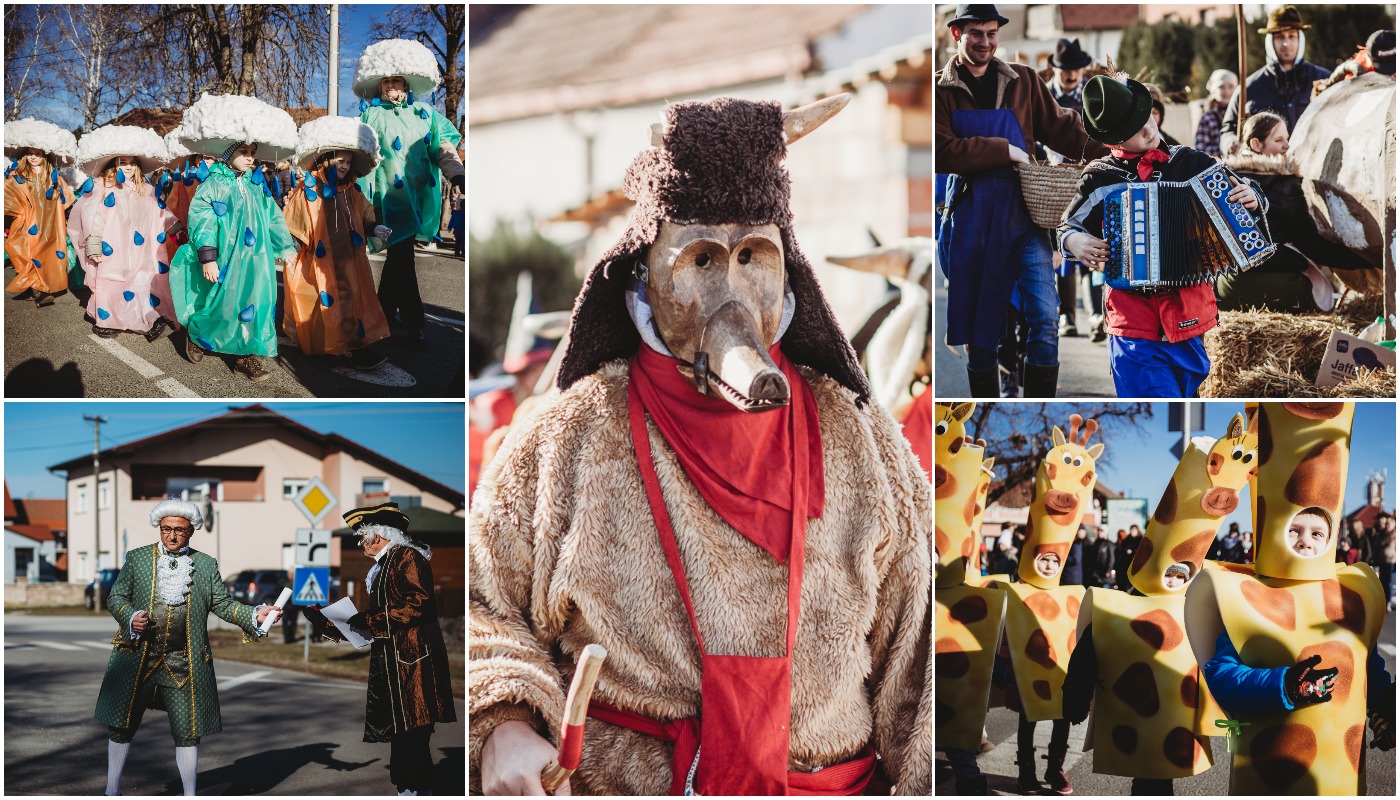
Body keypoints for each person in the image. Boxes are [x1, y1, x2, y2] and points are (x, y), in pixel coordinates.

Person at [471, 95, 930, 795]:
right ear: (645, 271)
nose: (733, 288)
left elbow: (922, 659)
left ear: (787, 267)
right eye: (702, 259)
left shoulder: (861, 437)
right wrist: (503, 721)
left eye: (753, 256)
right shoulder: (567, 434)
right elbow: (481, 605)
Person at [935, 4, 1108, 398]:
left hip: (1024, 216)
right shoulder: (940, 90)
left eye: (992, 33)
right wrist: (1005, 150)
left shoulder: (1024, 81)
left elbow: (1064, 130)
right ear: (956, 34)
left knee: (1045, 318)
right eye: (976, 33)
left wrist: (1114, 151)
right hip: (971, 219)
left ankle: (1038, 403)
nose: (985, 42)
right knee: (982, 336)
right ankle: (985, 403)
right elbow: (942, 151)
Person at [1059, 74, 1265, 397]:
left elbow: (1246, 194)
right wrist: (1075, 241)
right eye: (1134, 131)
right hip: (1134, 327)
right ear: (1113, 142)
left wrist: (1253, 195)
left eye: (1147, 117)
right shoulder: (1099, 179)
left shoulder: (1191, 163)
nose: (1148, 129)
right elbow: (1068, 226)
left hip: (1190, 320)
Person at [94, 498, 281, 796]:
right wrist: (130, 617)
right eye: (166, 528)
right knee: (121, 724)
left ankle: (190, 794)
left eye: (179, 530)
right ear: (159, 527)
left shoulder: (205, 565)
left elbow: (222, 603)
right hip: (138, 657)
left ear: (191, 531)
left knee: (188, 731)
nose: (172, 535)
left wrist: (253, 614)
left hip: (184, 661)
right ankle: (112, 789)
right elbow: (116, 597)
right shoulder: (137, 558)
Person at [313, 503, 455, 796]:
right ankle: (409, 790)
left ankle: (416, 791)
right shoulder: (385, 564)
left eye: (361, 535)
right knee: (401, 735)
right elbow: (368, 626)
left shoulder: (406, 557)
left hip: (412, 663)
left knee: (412, 736)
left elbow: (418, 603)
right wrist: (324, 623)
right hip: (394, 663)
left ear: (377, 535)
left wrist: (369, 618)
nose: (360, 542)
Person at [168, 93, 300, 382]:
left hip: (256, 261)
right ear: (228, 154)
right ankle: (198, 333)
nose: (251, 156)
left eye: (253, 150)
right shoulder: (214, 184)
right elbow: (201, 219)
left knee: (255, 301)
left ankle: (245, 354)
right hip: (227, 259)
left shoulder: (256, 184)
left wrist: (285, 247)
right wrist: (208, 257)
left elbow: (272, 215)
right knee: (222, 302)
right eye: (244, 151)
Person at [352, 39, 465, 350]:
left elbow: (442, 147)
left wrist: (457, 174)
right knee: (402, 258)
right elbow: (356, 154)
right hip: (385, 201)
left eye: (396, 80)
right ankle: (413, 322)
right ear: (379, 84)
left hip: (416, 199)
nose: (391, 85)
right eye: (386, 80)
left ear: (406, 82)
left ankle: (384, 315)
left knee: (398, 260)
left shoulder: (425, 114)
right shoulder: (370, 117)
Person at [282, 115, 392, 370]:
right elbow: (296, 223)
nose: (344, 166)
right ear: (326, 158)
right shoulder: (307, 191)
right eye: (340, 160)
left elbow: (364, 216)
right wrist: (290, 248)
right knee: (320, 301)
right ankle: (326, 345)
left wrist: (376, 227)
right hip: (318, 262)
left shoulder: (352, 191)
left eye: (349, 162)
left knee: (352, 302)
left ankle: (357, 349)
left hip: (349, 261)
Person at [68, 125, 181, 343]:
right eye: (123, 162)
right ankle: (107, 320)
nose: (128, 166)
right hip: (113, 247)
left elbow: (159, 210)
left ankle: (145, 317)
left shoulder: (146, 189)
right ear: (114, 164)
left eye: (132, 162)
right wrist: (94, 243)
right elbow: (93, 216)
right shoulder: (104, 187)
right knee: (112, 281)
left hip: (140, 248)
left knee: (141, 279)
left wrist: (173, 226)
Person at [1219, 5, 1331, 154]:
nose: (1286, 44)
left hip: (1314, 169)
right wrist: (1230, 144)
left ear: (1300, 39)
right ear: (1270, 41)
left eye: (1291, 36)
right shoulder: (1249, 88)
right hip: (1266, 173)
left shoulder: (1324, 79)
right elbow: (1228, 130)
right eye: (1280, 37)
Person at [4, 119, 79, 307]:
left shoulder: (52, 176)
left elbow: (66, 198)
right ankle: (35, 286)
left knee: (45, 253)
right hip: (25, 223)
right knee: (24, 252)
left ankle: (40, 288)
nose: (34, 157)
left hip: (49, 224)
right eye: (30, 153)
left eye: (38, 154)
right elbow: (7, 195)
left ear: (44, 156)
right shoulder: (18, 175)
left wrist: (67, 214)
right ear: (25, 154)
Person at [1193, 69, 1237, 157]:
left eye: (1231, 87)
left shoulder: (1241, 114)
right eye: (1221, 87)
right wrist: (1226, 148)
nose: (1226, 92)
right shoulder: (1207, 117)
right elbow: (1201, 148)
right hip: (1216, 166)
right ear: (1214, 89)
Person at [1113, 523, 1143, 590]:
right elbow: (1122, 550)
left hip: (1136, 566)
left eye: (1134, 530)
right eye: (1131, 530)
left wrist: (1132, 552)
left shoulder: (1141, 540)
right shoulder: (1127, 540)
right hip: (1126, 566)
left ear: (1137, 531)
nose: (1132, 531)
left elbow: (1141, 551)